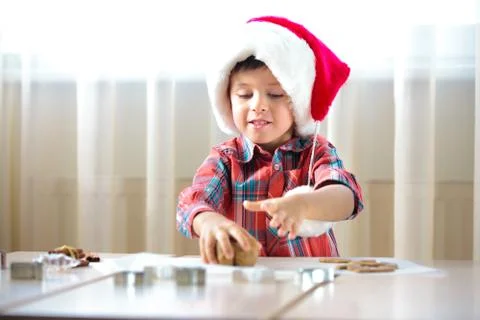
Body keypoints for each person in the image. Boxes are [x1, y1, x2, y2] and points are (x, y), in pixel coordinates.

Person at [176, 15, 364, 264]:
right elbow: (192, 203)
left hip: (311, 287)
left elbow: (346, 197)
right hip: (244, 288)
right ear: (227, 100)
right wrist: (209, 222)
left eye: (275, 94)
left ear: (299, 102)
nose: (258, 106)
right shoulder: (225, 158)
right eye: (244, 95)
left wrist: (305, 204)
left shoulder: (316, 152)